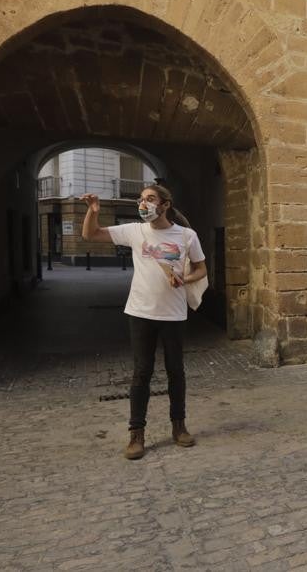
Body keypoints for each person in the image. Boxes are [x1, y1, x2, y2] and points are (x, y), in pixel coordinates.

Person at [80, 185, 207, 460]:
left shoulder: (186, 236)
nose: (143, 203)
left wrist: (185, 279)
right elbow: (90, 234)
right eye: (141, 199)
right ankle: (136, 434)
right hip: (140, 312)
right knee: (141, 373)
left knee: (176, 372)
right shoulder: (135, 231)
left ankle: (179, 426)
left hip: (173, 314)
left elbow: (201, 268)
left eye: (150, 199)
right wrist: (93, 212)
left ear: (165, 204)